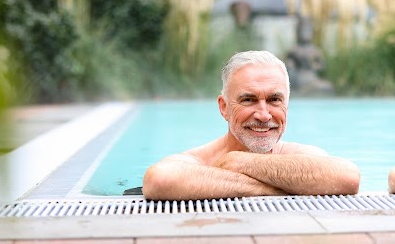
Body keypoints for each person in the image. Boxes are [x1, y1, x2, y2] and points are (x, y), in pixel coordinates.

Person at [142, 50, 360, 200]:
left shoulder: (298, 152)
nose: (264, 115)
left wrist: (240, 162)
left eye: (274, 100)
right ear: (224, 107)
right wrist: (286, 187)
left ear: (287, 105)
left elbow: (347, 177)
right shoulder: (199, 159)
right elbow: (159, 180)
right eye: (249, 100)